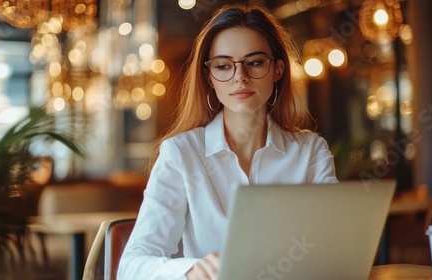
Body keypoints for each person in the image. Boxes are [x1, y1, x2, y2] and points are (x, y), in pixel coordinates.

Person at [118, 4, 338, 280]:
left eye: (255, 62)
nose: (240, 77)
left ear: (278, 69)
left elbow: (334, 249)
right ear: (209, 78)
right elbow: (132, 266)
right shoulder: (181, 154)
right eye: (223, 66)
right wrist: (190, 269)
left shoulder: (310, 153)